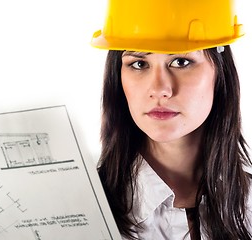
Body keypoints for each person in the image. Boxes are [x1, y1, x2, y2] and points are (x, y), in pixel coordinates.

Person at [91, 0, 252, 239]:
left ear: (220, 73)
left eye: (181, 61)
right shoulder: (85, 208)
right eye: (139, 63)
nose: (159, 89)